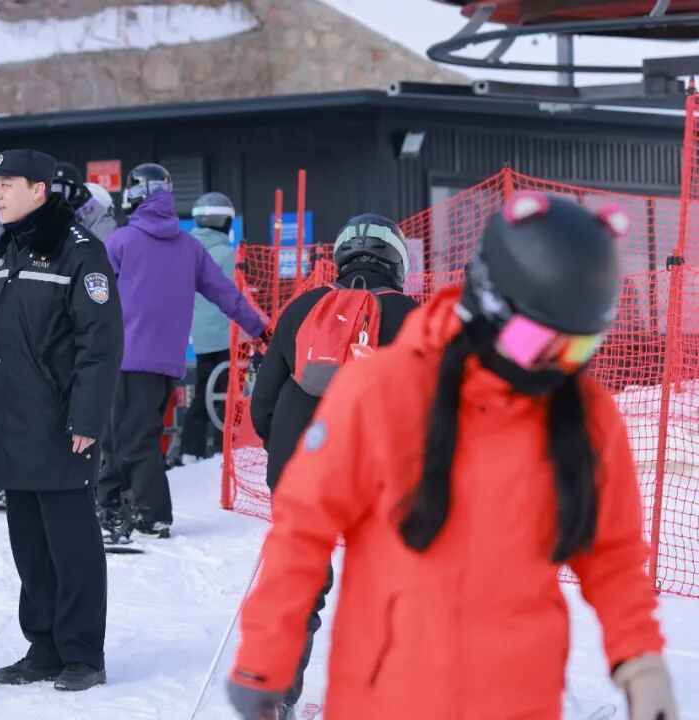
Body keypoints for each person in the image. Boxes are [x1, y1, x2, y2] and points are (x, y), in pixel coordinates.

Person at [227, 194, 678, 720]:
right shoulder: (385, 382)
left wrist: (639, 657)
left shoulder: (581, 411)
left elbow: (611, 548)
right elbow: (302, 533)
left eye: (578, 348)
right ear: (489, 302)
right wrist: (267, 652)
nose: (557, 365)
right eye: (540, 340)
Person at [247, 212, 418, 716]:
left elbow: (263, 404)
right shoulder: (414, 316)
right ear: (396, 260)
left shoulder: (301, 309)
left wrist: (281, 445)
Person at [0, 149, 123, 692]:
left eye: (6, 184)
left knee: (71, 546)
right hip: (12, 422)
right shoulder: (6, 250)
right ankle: (45, 647)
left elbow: (100, 344)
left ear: (40, 190)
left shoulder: (81, 253)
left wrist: (86, 417)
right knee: (29, 544)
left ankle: (82, 654)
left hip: (60, 425)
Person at [97, 164, 265, 543]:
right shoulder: (189, 247)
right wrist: (261, 328)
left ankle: (147, 513)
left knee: (127, 438)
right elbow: (226, 295)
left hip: (124, 356)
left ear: (136, 196)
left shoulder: (120, 243)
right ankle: (115, 503)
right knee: (127, 434)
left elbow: (90, 296)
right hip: (166, 362)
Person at [178, 192, 239, 463]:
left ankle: (193, 447)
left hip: (199, 337)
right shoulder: (229, 255)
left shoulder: (186, 253)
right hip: (227, 336)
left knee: (204, 389)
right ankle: (225, 448)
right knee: (227, 393)